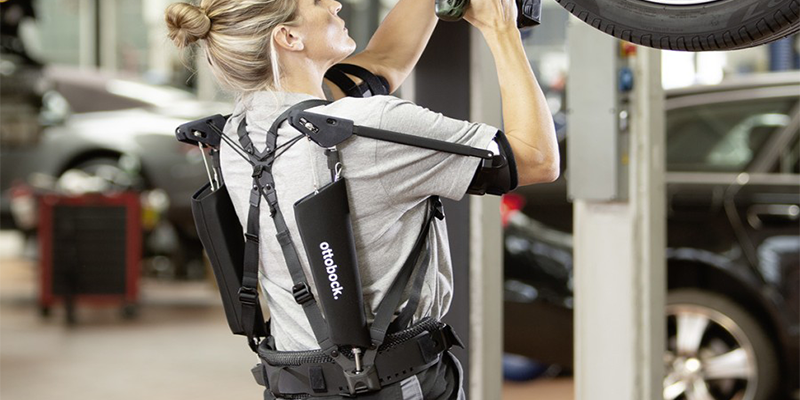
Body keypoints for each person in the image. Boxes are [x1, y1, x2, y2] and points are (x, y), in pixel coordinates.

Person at [165, 0, 558, 398]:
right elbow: (537, 159)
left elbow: (384, 62)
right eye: (317, 2)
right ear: (288, 37)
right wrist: (503, 30)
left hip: (294, 383)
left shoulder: (237, 131)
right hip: (392, 385)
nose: (335, 3)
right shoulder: (371, 128)